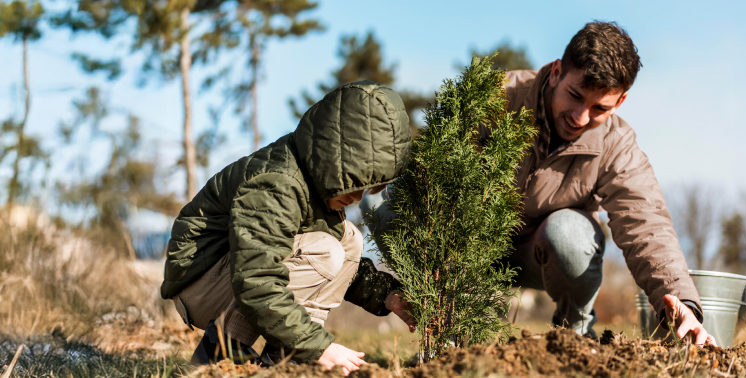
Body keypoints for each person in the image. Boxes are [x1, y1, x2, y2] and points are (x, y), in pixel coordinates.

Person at [365, 21, 716, 346]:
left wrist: (681, 299)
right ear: (557, 72)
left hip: (542, 254)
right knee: (379, 203)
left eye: (599, 108)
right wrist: (438, 261)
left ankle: (574, 337)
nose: (581, 118)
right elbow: (435, 175)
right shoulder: (497, 98)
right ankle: (449, 332)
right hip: (469, 248)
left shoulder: (616, 144)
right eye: (575, 96)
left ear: (620, 101)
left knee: (570, 232)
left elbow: (646, 222)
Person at [160, 81, 417, 376]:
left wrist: (387, 295)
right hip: (200, 284)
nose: (358, 196)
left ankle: (285, 362)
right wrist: (319, 347)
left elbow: (342, 270)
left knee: (349, 242)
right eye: (355, 181)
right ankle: (220, 353)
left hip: (233, 277)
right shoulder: (276, 183)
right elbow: (257, 279)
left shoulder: (314, 185)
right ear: (334, 158)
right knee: (326, 250)